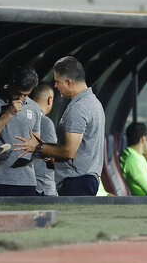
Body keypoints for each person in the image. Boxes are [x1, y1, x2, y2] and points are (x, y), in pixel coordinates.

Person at [14, 56, 105, 196]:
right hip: (85, 179)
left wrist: (38, 147)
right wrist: (44, 148)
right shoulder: (94, 103)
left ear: (69, 82)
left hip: (76, 181)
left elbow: (69, 152)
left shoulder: (79, 108)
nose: (55, 86)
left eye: (57, 82)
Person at [0, 66, 42, 196]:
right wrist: (9, 113)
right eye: (18, 93)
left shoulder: (35, 108)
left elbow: (36, 145)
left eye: (25, 95)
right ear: (11, 83)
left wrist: (40, 149)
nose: (21, 98)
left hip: (27, 181)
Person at [30, 82, 57, 196]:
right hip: (42, 187)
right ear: (50, 99)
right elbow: (53, 157)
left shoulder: (24, 117)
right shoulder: (45, 122)